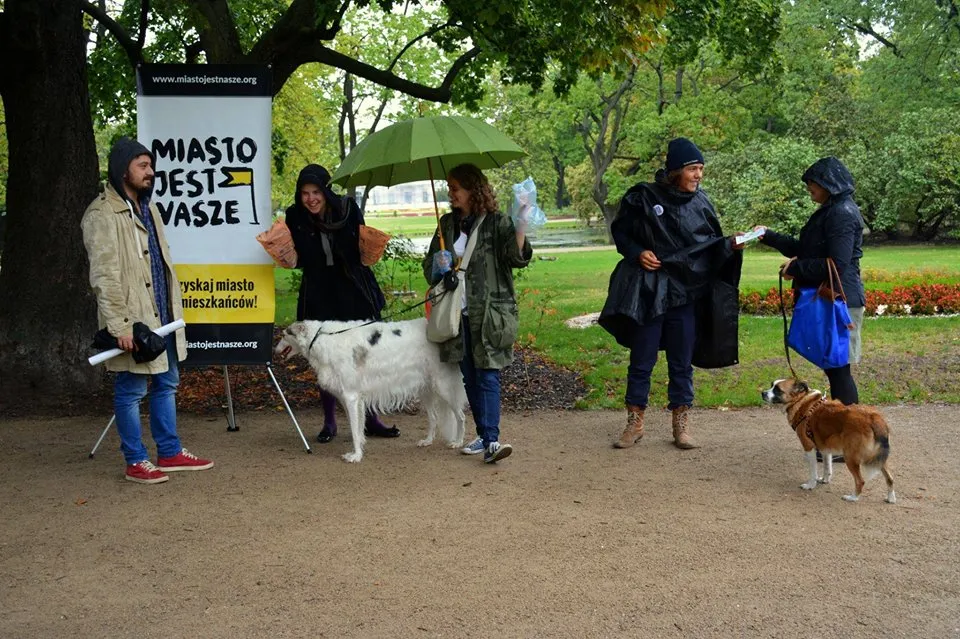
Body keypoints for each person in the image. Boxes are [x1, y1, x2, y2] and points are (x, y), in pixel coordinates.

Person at [81, 137, 213, 484]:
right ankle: (136, 460)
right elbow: (104, 277)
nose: (151, 172)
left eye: (151, 165)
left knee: (167, 382)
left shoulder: (148, 207)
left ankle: (168, 452)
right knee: (131, 389)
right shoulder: (101, 214)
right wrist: (120, 326)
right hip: (133, 320)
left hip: (162, 318)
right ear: (123, 169)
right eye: (143, 166)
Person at [599, 137, 744, 450]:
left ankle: (681, 424)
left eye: (701, 169)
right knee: (642, 358)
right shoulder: (643, 197)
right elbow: (621, 232)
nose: (699, 175)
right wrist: (637, 252)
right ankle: (634, 422)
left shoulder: (702, 203)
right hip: (649, 292)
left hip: (684, 295)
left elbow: (709, 247)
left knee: (681, 360)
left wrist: (731, 245)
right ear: (676, 170)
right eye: (693, 168)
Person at [422, 163, 533, 464]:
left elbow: (516, 257)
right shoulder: (446, 224)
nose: (451, 193)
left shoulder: (496, 222)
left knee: (488, 374)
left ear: (473, 189)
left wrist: (522, 221)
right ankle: (484, 436)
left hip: (490, 312)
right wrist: (438, 265)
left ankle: (492, 440)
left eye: (455, 187)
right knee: (470, 376)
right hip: (457, 315)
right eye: (449, 187)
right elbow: (427, 270)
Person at [285, 164, 398, 443]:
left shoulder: (347, 209)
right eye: (304, 193)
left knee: (363, 355)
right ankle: (329, 422)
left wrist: (371, 248)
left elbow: (359, 248)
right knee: (324, 357)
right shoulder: (294, 216)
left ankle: (371, 418)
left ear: (326, 191)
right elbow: (297, 257)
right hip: (319, 293)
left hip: (353, 290)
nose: (310, 198)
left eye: (315, 192)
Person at [756, 156, 866, 406]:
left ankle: (849, 432)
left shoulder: (841, 213)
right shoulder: (832, 211)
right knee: (833, 367)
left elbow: (836, 264)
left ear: (828, 183)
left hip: (839, 299)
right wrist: (769, 236)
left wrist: (796, 267)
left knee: (838, 370)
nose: (809, 189)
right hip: (832, 297)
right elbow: (806, 249)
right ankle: (844, 432)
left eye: (812, 184)